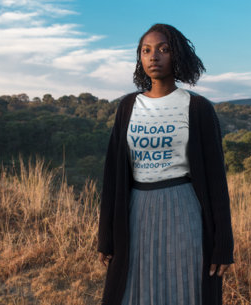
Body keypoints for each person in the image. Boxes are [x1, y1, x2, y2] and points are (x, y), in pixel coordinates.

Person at [97, 23, 234, 305]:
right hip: (136, 211)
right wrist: (106, 236)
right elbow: (112, 175)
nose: (153, 56)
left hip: (183, 211)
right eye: (146, 50)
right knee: (133, 291)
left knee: (183, 287)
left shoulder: (197, 108)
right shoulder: (128, 107)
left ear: (177, 56)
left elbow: (216, 181)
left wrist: (223, 245)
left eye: (163, 49)